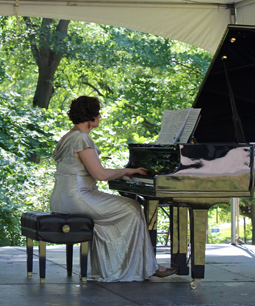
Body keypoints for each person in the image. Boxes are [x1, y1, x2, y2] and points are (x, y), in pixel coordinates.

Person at [49, 95, 176, 282]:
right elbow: (99, 175)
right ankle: (143, 268)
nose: (100, 117)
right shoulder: (81, 139)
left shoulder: (68, 137)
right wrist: (128, 171)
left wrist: (123, 173)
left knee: (124, 210)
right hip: (78, 197)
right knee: (132, 208)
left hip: (61, 199)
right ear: (90, 117)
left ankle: (119, 266)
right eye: (98, 114)